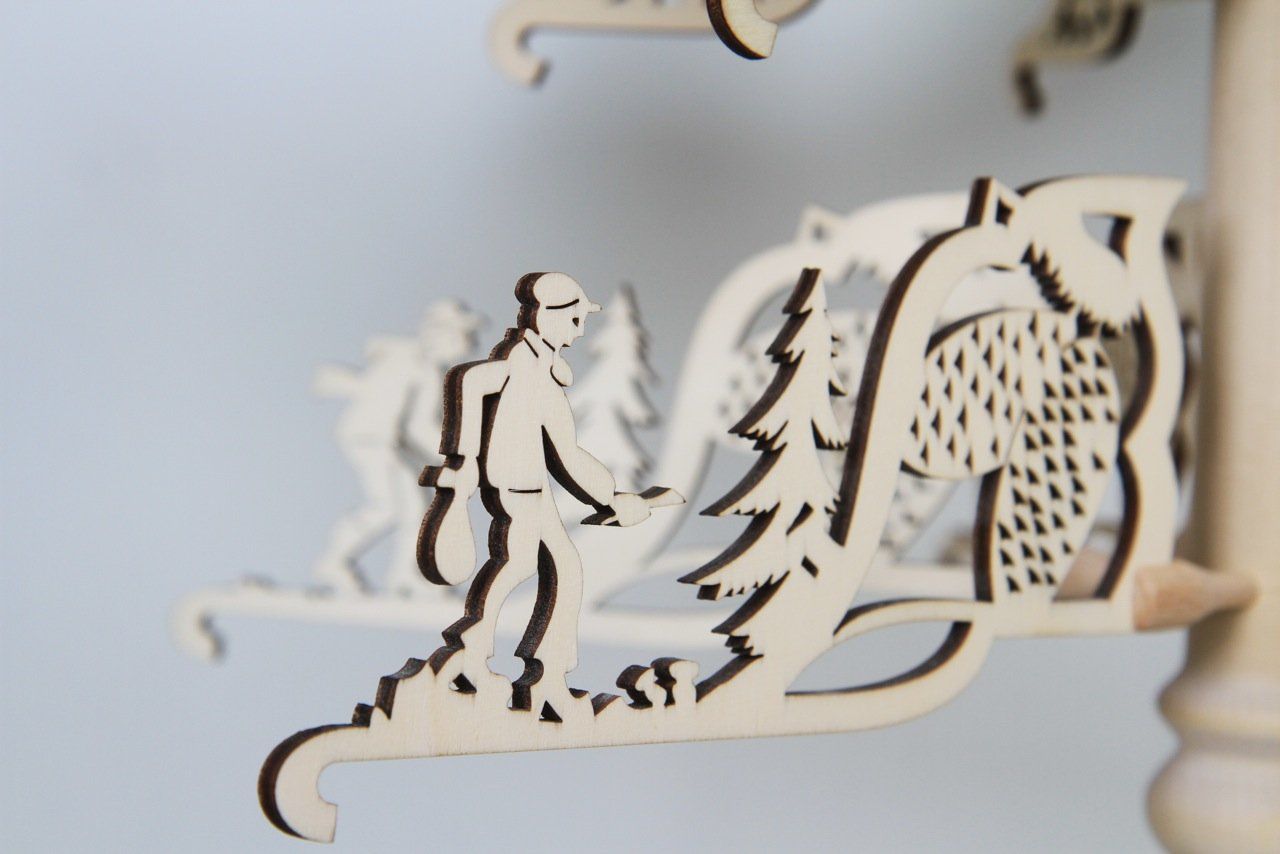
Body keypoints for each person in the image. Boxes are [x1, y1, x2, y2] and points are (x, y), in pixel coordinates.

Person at [422, 273, 652, 721]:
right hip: (518, 485)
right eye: (574, 319)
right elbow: (563, 451)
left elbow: (560, 449)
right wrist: (611, 498)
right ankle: (488, 657)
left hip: (531, 485)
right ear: (547, 316)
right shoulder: (527, 368)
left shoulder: (538, 366)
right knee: (530, 565)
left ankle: (533, 669)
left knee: (554, 567)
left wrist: (611, 497)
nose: (580, 332)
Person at [312, 300, 482, 594]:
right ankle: (338, 563)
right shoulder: (417, 365)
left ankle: (403, 575)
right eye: (464, 336)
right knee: (391, 507)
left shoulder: (417, 363)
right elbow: (418, 426)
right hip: (371, 440)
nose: (470, 345)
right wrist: (458, 456)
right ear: (441, 335)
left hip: (380, 441)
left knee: (410, 507)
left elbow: (415, 424)